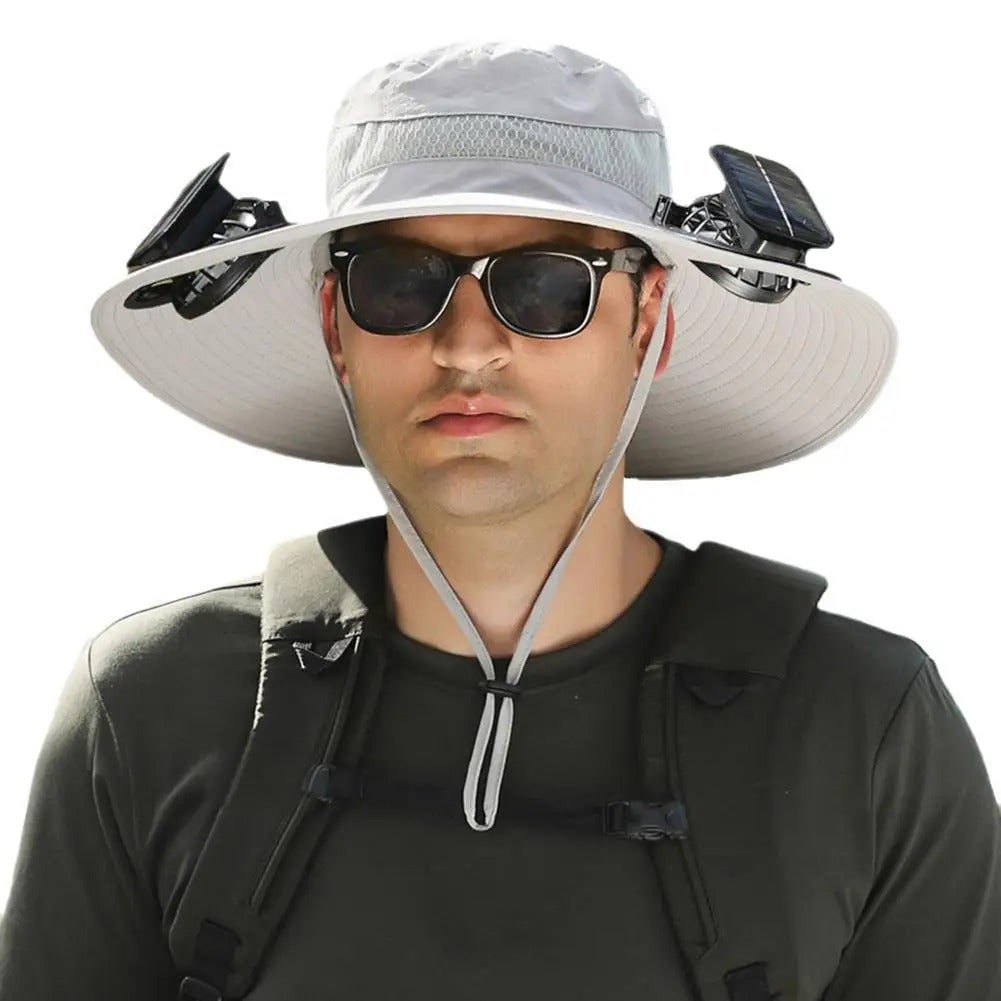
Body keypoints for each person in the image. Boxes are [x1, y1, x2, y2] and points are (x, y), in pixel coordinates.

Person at [2, 40, 999, 1001]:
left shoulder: (863, 727)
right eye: (399, 281)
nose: (467, 346)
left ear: (649, 321)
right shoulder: (152, 706)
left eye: (547, 283)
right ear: (334, 325)